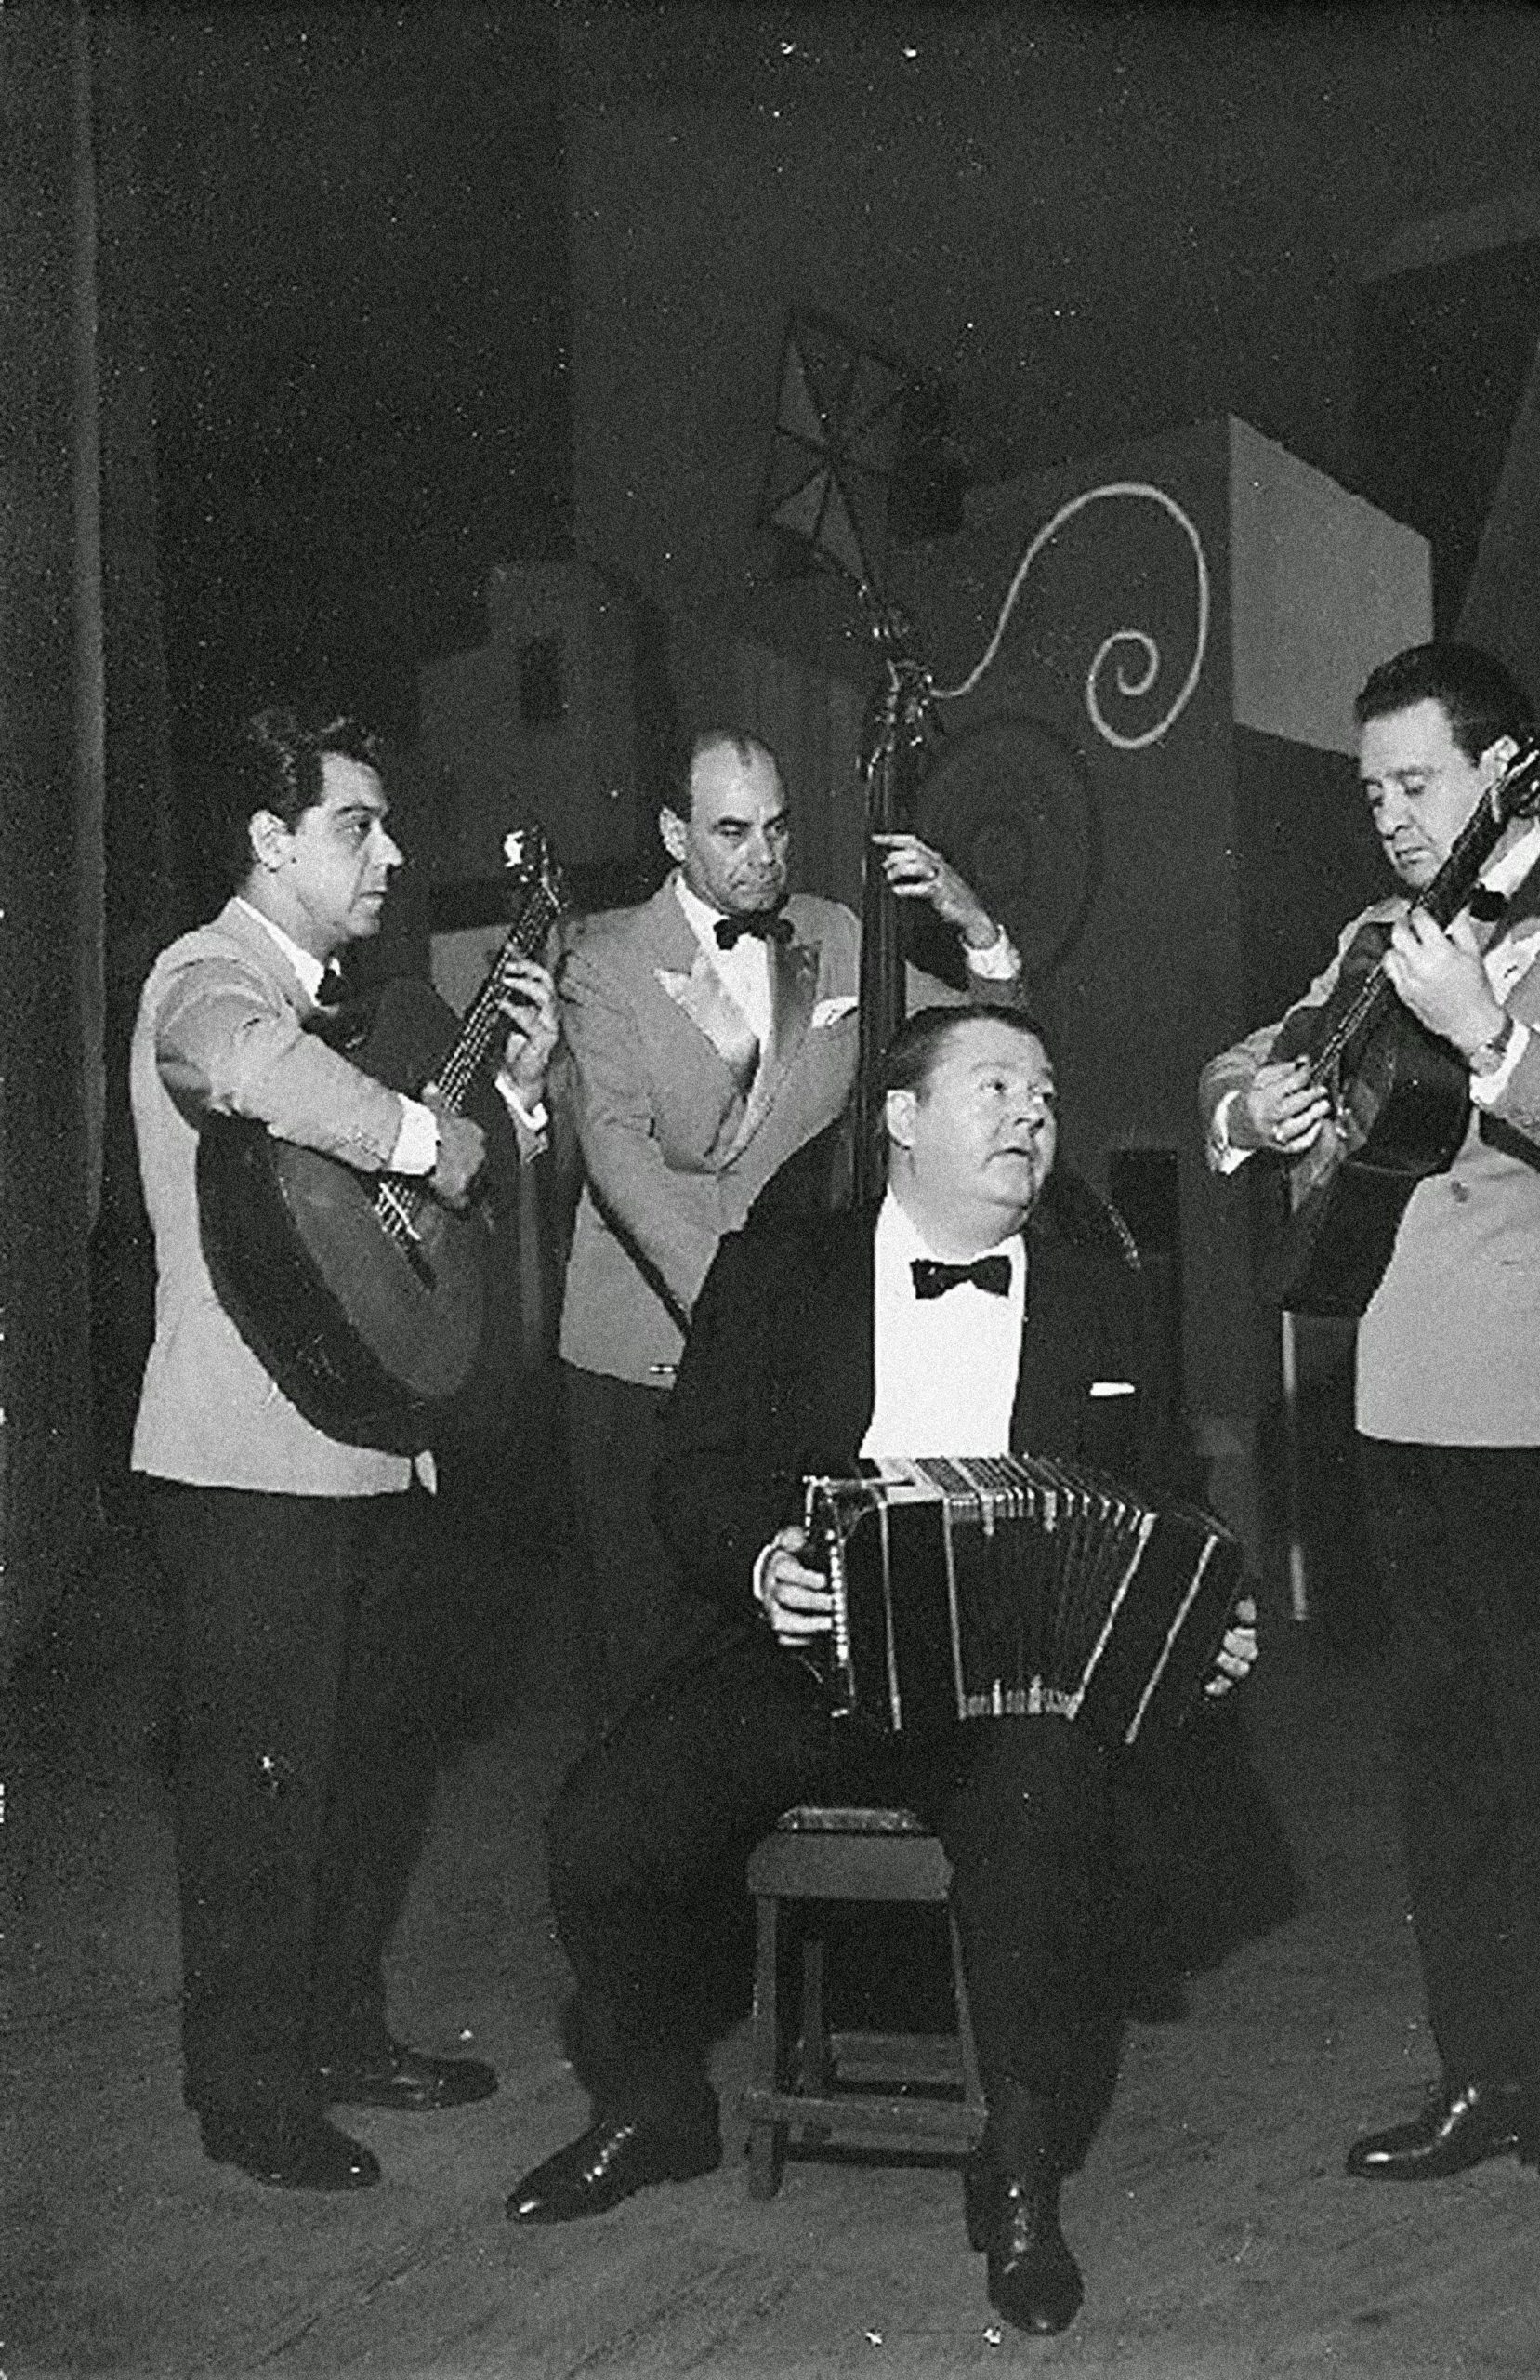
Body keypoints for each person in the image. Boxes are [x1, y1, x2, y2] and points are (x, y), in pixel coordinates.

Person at [507, 1005, 1258, 2339]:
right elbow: (693, 1475)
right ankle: (652, 2105)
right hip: (807, 1661)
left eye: (1043, 1087)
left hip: (1003, 1687)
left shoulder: (1100, 1296)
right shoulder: (777, 1270)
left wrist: (1201, 1615)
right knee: (600, 1827)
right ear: (902, 1119)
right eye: (993, 1085)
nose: (1031, 1111)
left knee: (1045, 1818)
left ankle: (1020, 2183)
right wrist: (762, 1567)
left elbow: (1166, 1499)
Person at [1199, 641, 1540, 2281]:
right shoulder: (1375, 941)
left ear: (1509, 776)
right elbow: (1240, 1063)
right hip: (1401, 1412)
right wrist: (1254, 1110)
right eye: (1370, 793)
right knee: (1449, 1778)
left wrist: (1485, 1035)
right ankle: (1480, 2078)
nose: (1390, 818)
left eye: (1415, 785)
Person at [131, 707, 559, 2191]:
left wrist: (505, 1106)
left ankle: (339, 2033)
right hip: (246, 1469)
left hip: (372, 1452)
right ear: (268, 840)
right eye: (353, 827)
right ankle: (244, 2091)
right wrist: (409, 1136)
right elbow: (234, 1062)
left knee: (364, 1776)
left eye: (384, 825)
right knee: (258, 1794)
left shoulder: (355, 999)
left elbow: (442, 1220)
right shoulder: (212, 972)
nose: (387, 854)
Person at [553, 725, 1024, 1724]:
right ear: (674, 834)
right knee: (648, 1674)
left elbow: (981, 1046)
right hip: (644, 1358)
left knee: (778, 1676)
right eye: (731, 831)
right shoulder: (603, 961)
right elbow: (618, 1158)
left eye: (776, 828)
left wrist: (972, 923)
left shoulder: (838, 934)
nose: (763, 856)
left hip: (781, 1365)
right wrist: (736, 1313)